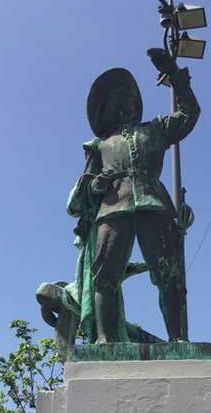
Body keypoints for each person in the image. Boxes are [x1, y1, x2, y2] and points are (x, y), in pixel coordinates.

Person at [66, 47, 200, 344]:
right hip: (113, 209)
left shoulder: (156, 129)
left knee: (169, 274)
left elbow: (189, 114)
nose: (125, 100)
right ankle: (104, 340)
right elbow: (84, 187)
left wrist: (176, 77)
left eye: (128, 94)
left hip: (155, 204)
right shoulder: (99, 144)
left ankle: (177, 339)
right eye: (118, 96)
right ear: (107, 106)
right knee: (105, 276)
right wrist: (95, 186)